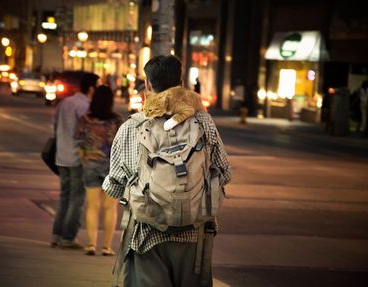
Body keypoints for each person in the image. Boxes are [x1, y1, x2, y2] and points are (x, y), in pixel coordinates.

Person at [102, 55, 232, 286]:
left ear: (148, 85)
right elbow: (224, 173)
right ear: (181, 85)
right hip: (194, 237)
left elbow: (113, 185)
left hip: (145, 234)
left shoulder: (132, 126)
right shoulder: (203, 122)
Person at [51, 72, 100, 249]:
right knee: (77, 199)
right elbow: (85, 134)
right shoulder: (84, 106)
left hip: (60, 156)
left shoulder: (65, 102)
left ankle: (56, 235)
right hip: (76, 158)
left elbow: (54, 126)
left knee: (64, 196)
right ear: (92, 88)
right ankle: (68, 237)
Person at [74, 85, 122, 256]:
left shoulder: (85, 119)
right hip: (112, 167)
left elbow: (79, 144)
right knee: (110, 207)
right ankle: (107, 247)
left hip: (91, 164)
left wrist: (86, 160)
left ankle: (91, 245)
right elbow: (122, 145)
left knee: (92, 206)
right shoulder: (116, 120)